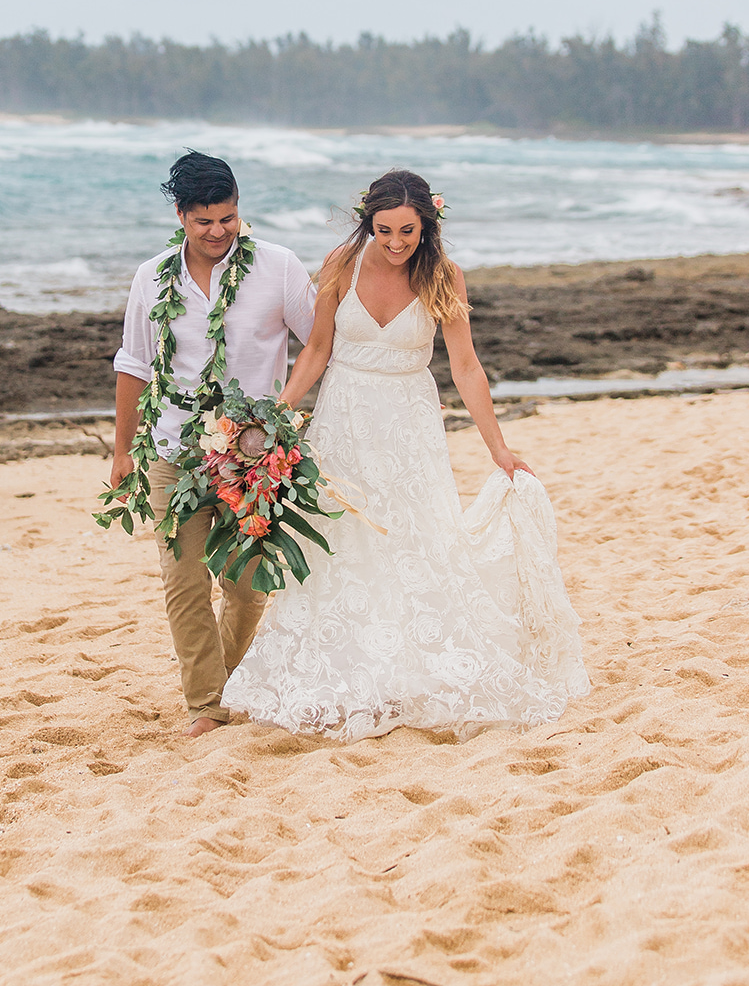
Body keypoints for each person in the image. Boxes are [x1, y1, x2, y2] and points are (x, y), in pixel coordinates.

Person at [223, 169, 588, 741]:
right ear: (369, 222)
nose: (396, 243)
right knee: (344, 541)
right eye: (385, 229)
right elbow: (316, 348)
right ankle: (350, 666)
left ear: (428, 225)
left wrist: (499, 447)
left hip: (410, 425)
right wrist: (274, 420)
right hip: (343, 417)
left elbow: (465, 365)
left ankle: (411, 667)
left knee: (416, 539)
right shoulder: (341, 266)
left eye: (408, 231)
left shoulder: (444, 276)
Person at [111, 151, 316, 738]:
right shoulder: (151, 278)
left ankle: (225, 679)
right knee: (183, 583)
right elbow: (134, 364)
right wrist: (122, 450)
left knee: (247, 586)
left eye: (227, 218)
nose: (218, 232)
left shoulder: (277, 268)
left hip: (254, 459)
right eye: (204, 222)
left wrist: (292, 415)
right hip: (174, 449)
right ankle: (206, 703)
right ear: (180, 216)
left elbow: (321, 342)